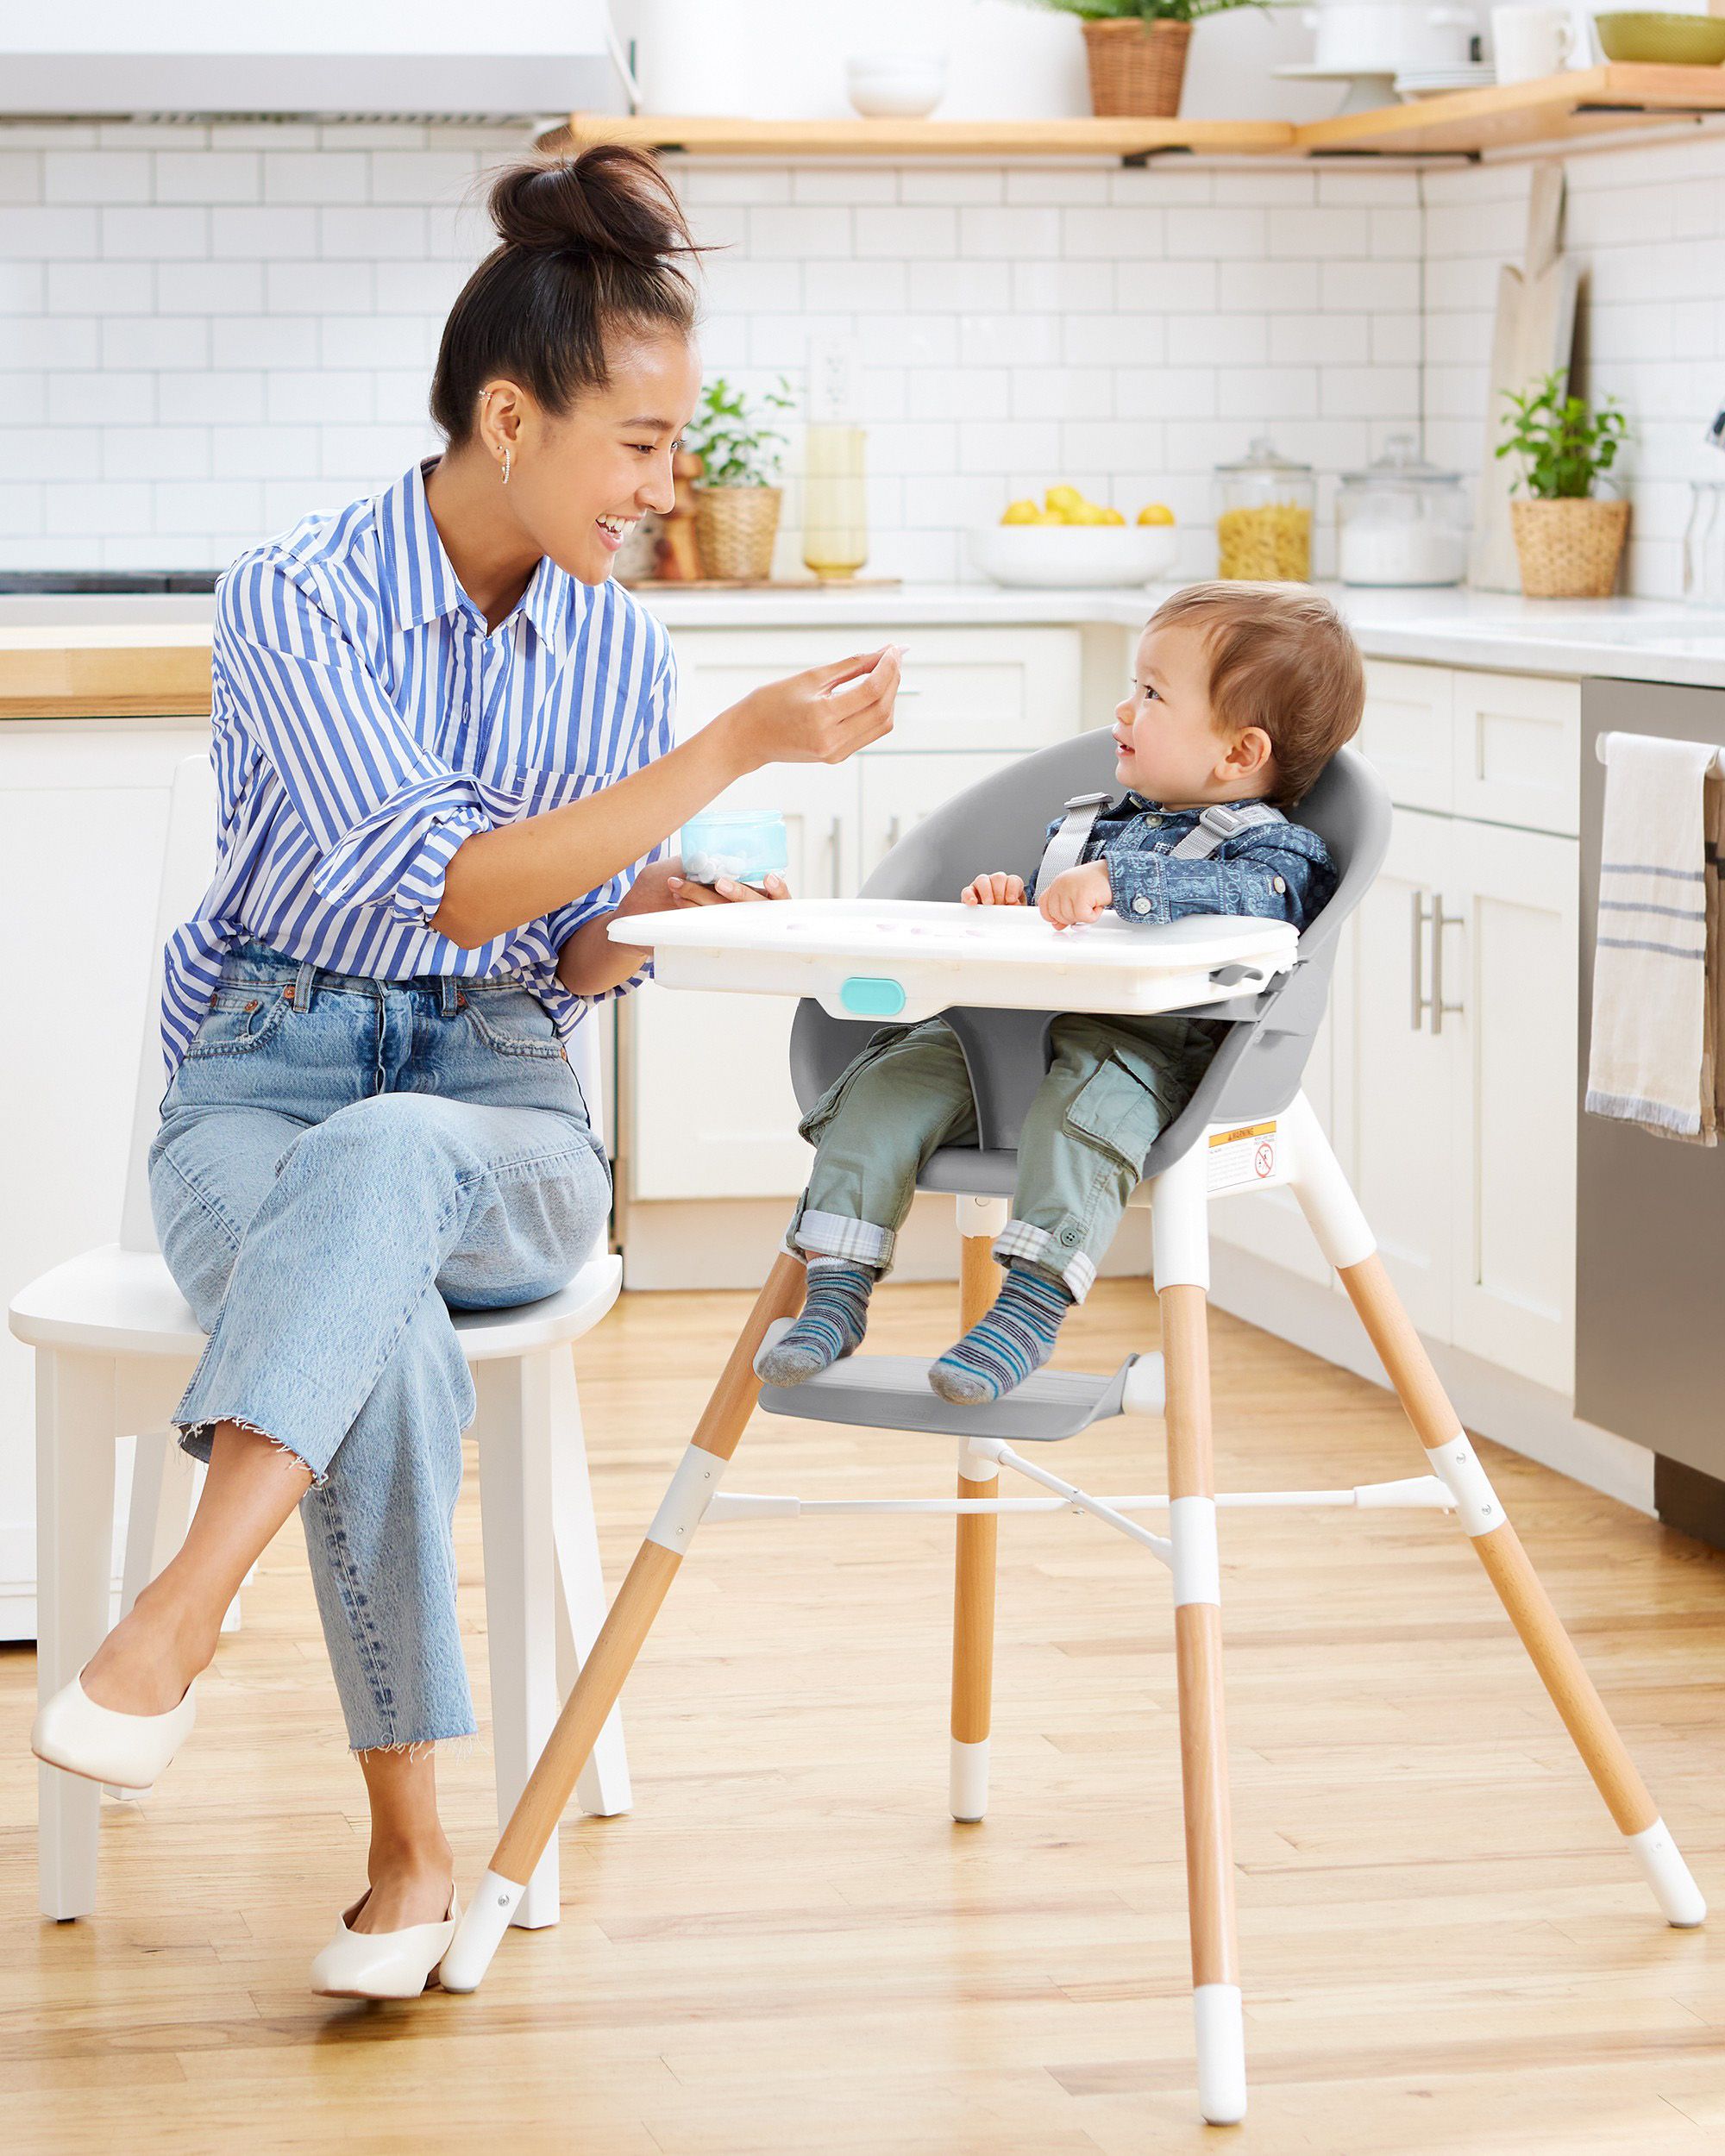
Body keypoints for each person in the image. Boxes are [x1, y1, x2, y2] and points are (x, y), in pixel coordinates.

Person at [29, 145, 900, 1996]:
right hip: (262, 1080)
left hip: (500, 1105)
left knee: (405, 1154)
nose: (666, 490)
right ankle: (413, 1855)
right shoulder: (298, 596)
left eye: (676, 448)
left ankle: (176, 1614)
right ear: (511, 419)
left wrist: (648, 908)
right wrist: (731, 749)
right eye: (639, 445)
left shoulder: (619, 652)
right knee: (387, 1316)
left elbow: (545, 947)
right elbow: (438, 881)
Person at [756, 582, 1362, 1406]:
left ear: (1239, 754)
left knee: (1086, 1115)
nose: (1124, 708)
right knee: (885, 1087)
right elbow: (1049, 926)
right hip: (994, 1039)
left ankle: (1029, 1309)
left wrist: (1122, 881)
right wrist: (1010, 905)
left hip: (1135, 1056)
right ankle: (835, 1289)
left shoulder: (1274, 853)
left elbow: (1265, 906)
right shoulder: (1091, 822)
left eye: (1153, 694)